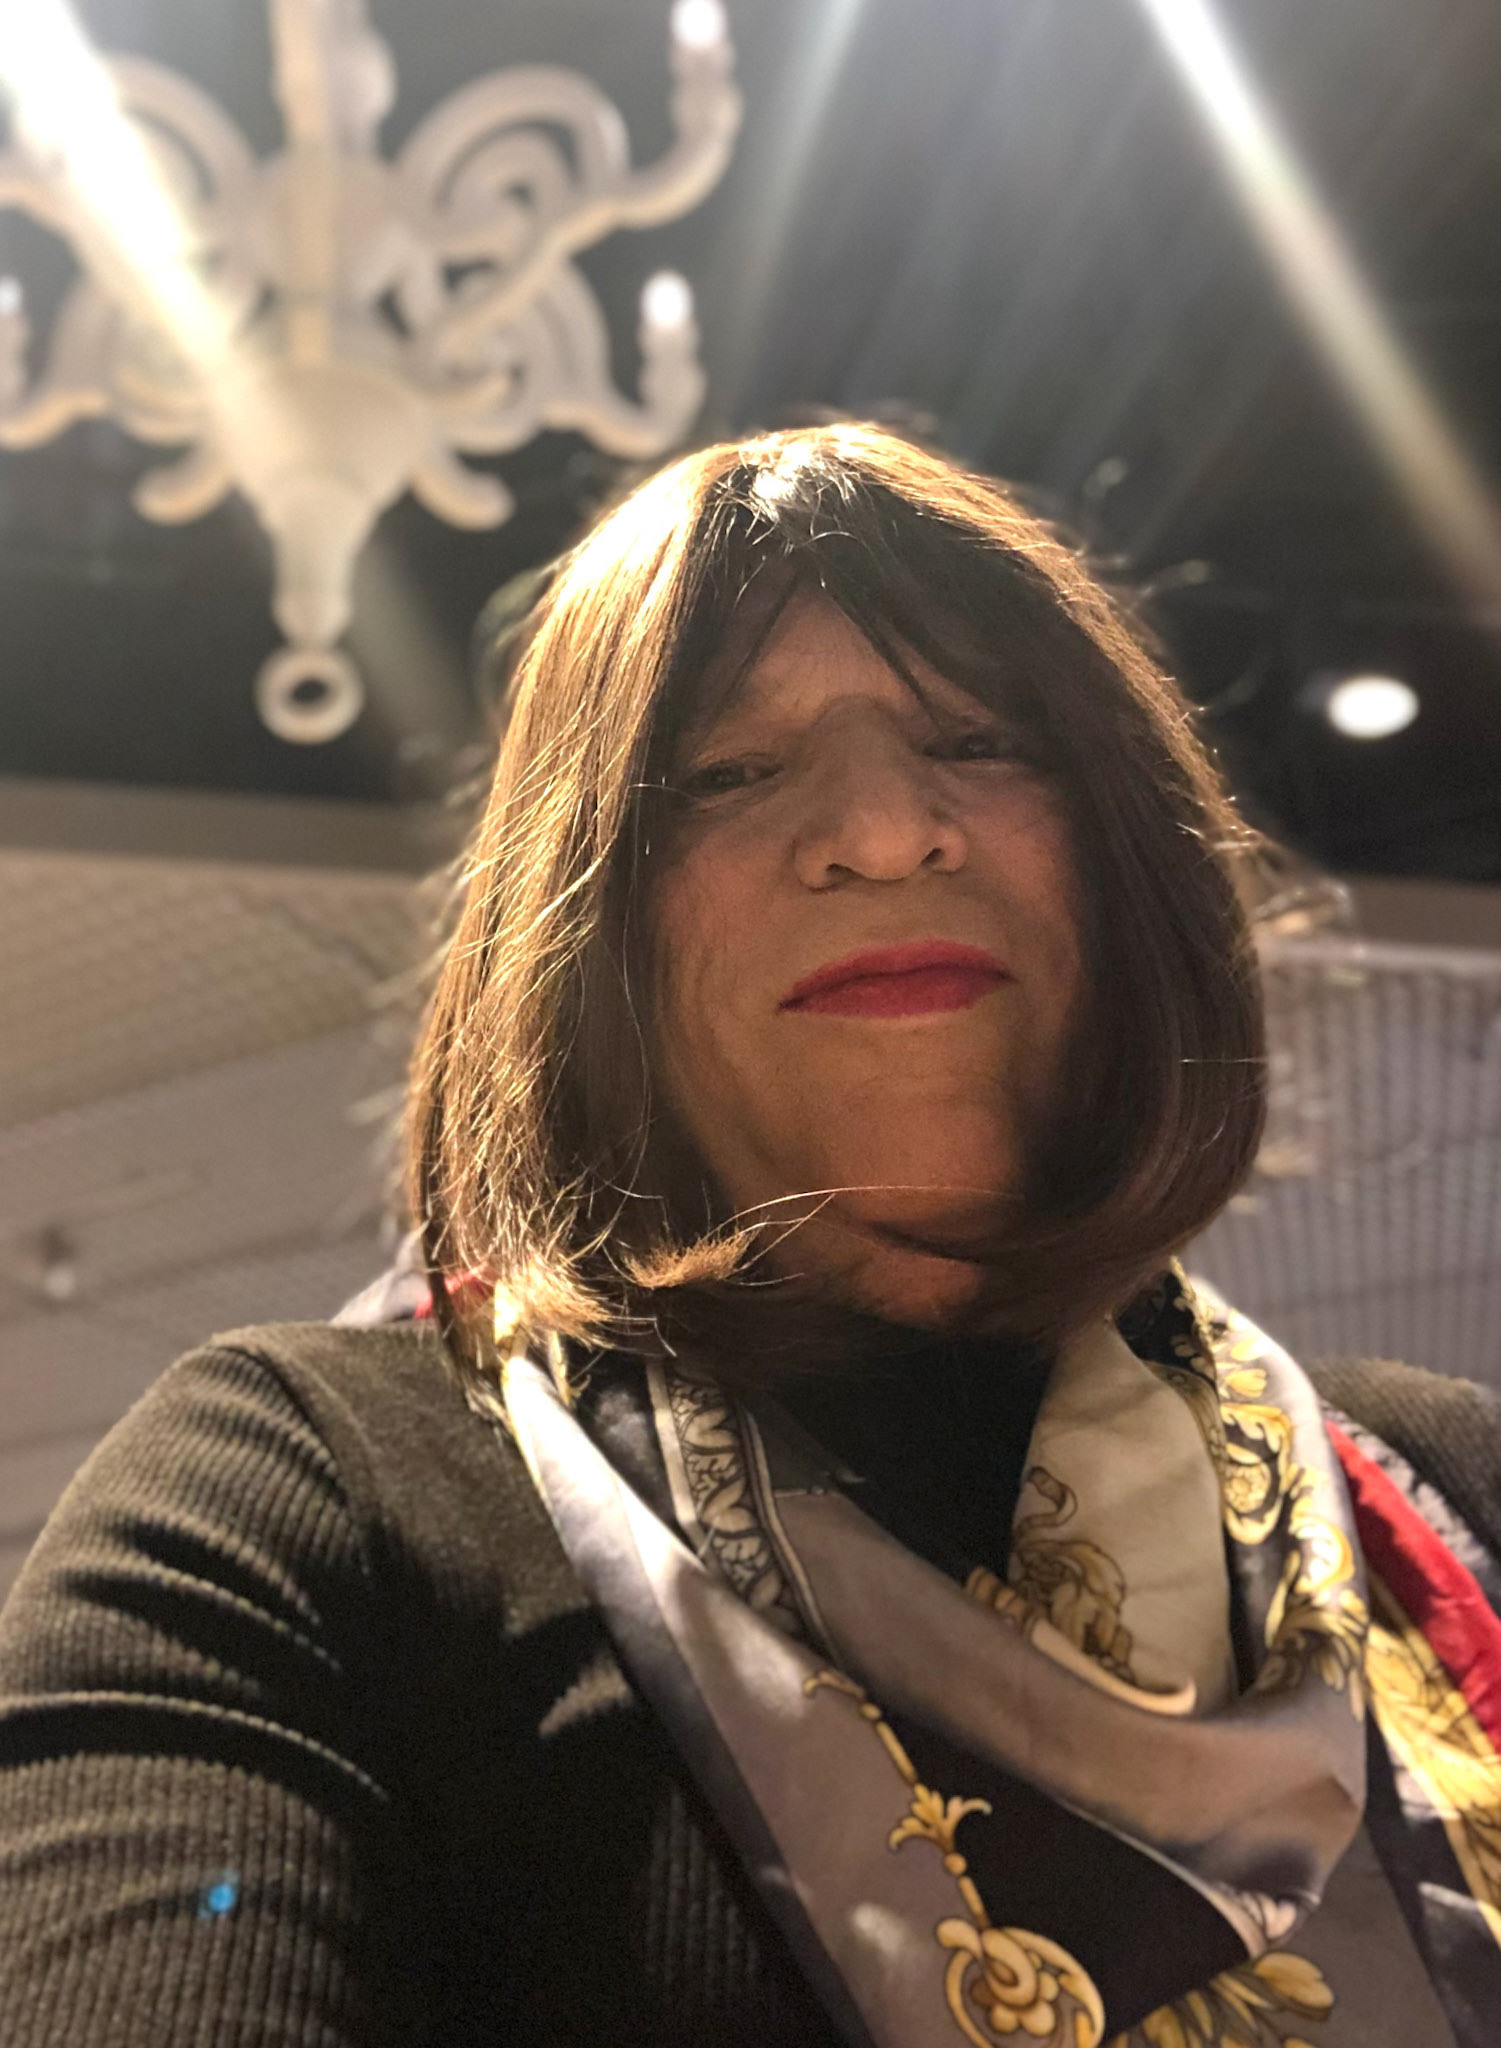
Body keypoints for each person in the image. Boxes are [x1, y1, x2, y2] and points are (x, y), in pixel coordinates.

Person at [1, 424, 1498, 2048]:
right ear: (586, 926)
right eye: (727, 771)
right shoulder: (296, 1504)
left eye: (979, 740)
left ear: (1127, 861)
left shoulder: (1446, 1487)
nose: (882, 826)